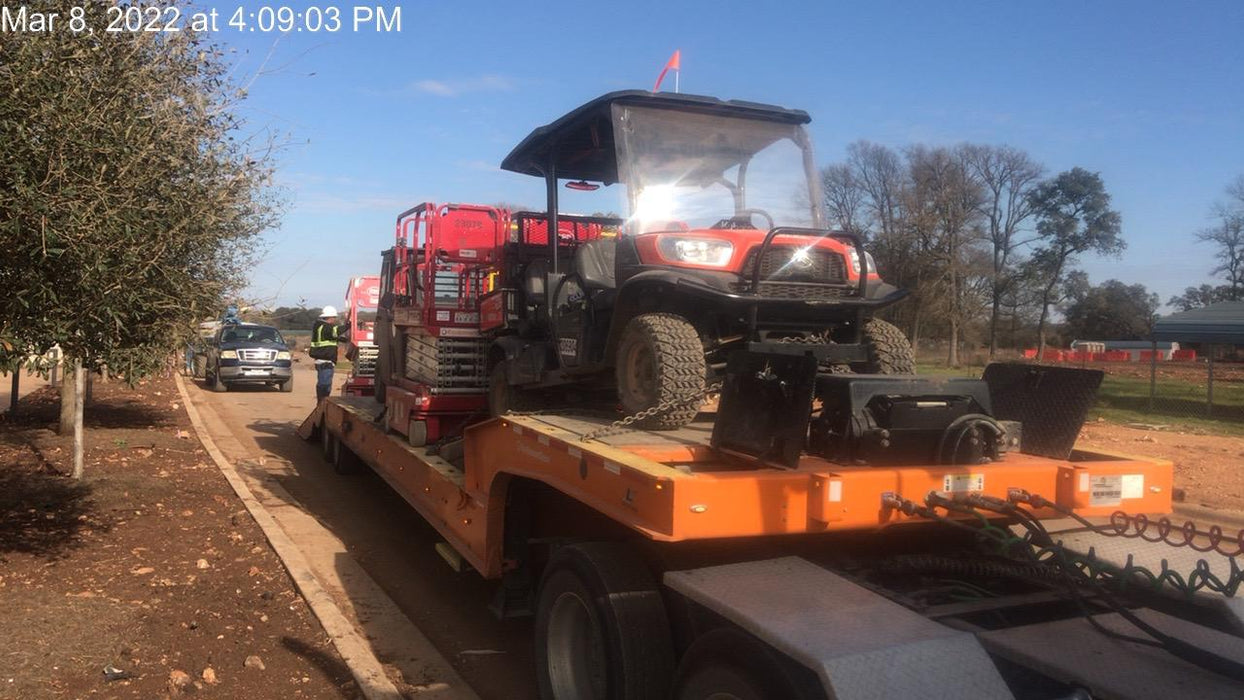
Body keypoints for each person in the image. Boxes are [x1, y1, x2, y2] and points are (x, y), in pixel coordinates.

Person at [310, 306, 347, 401]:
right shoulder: (325, 327)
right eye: (334, 317)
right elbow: (335, 331)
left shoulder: (319, 327)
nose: (334, 320)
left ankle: (321, 401)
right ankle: (322, 402)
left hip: (322, 360)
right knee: (325, 385)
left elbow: (329, 337)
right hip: (325, 361)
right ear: (330, 317)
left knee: (324, 384)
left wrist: (342, 339)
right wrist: (349, 325)